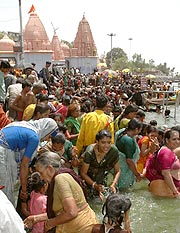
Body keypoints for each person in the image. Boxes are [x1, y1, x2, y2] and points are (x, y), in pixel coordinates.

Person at [24, 152, 98, 233]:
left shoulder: (60, 179)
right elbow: (61, 213)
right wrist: (36, 218)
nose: (41, 178)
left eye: (41, 173)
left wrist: (50, 223)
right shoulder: (63, 176)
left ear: (50, 168)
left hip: (81, 228)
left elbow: (71, 212)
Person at [0, 118, 58, 204]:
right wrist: (24, 190)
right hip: (3, 155)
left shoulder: (24, 124)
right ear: (46, 130)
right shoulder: (34, 137)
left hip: (4, 150)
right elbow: (24, 165)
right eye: (49, 136)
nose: (46, 140)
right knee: (5, 190)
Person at [80, 129, 120, 199]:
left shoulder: (114, 151)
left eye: (109, 142)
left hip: (101, 176)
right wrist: (95, 185)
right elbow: (83, 173)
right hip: (87, 177)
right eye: (103, 142)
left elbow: (118, 171)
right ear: (97, 142)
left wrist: (113, 184)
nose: (106, 146)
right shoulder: (90, 152)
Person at [145, 129, 180, 198]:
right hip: (164, 187)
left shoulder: (165, 150)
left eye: (178, 139)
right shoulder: (166, 152)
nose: (177, 142)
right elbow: (165, 173)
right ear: (167, 140)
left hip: (165, 186)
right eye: (174, 139)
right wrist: (175, 192)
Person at [115, 118, 142, 189]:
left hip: (118, 166)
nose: (140, 132)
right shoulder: (128, 141)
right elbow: (129, 161)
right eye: (140, 130)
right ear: (136, 129)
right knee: (124, 190)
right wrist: (136, 174)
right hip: (125, 170)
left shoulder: (121, 132)